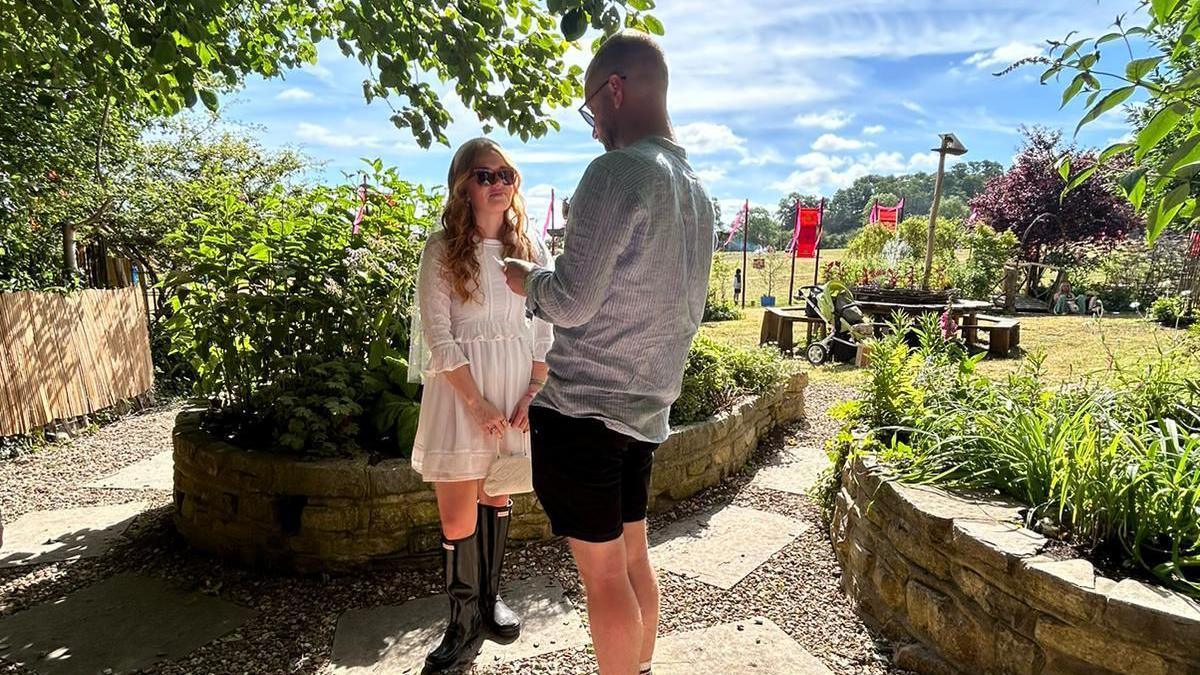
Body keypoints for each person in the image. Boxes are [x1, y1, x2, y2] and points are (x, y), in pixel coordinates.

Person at [501, 31, 714, 675]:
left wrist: (524, 279)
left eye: (592, 110)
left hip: (584, 414)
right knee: (632, 561)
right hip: (645, 412)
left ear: (615, 88)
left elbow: (568, 301)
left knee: (602, 580)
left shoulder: (618, 172)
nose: (594, 128)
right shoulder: (697, 190)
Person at [409, 137, 553, 672]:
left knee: (498, 492)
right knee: (456, 514)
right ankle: (461, 620)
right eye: (485, 175)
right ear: (463, 185)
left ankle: (489, 604)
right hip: (460, 391)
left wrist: (533, 392)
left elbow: (544, 323)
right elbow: (439, 335)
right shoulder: (442, 250)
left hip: (515, 387)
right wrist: (475, 402)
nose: (498, 184)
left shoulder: (530, 248)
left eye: (506, 174)